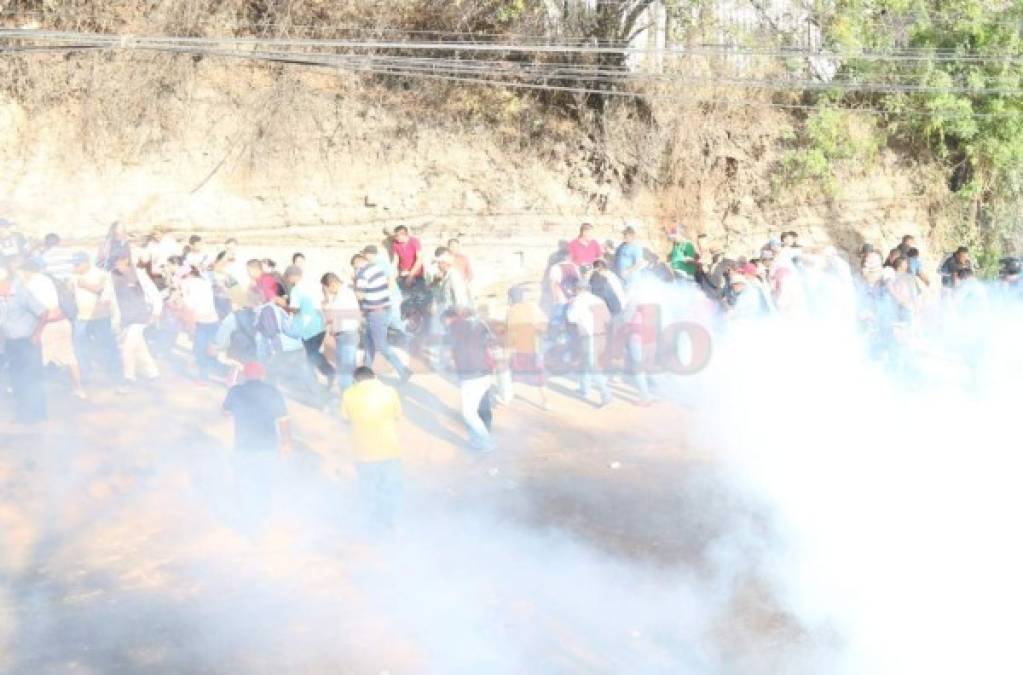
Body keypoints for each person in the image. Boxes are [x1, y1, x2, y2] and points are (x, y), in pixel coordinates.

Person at [341, 366, 404, 533]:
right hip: (390, 450)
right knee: (390, 489)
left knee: (368, 492)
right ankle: (391, 523)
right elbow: (397, 415)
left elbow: (346, 418)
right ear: (375, 377)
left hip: (363, 452)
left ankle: (371, 527)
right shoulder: (390, 391)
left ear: (355, 381)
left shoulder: (348, 394)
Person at [1, 258, 50, 423]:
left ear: (5, 283)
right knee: (17, 379)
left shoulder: (22, 293)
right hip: (11, 343)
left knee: (32, 378)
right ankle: (23, 413)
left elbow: (44, 312)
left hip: (28, 342)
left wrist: (37, 334)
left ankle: (37, 414)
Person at [444, 308, 497, 451]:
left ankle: (487, 442)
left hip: (471, 376)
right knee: (477, 408)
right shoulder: (476, 326)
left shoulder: (453, 329)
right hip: (484, 373)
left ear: (450, 318)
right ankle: (476, 439)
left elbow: (451, 356)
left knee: (468, 413)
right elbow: (490, 343)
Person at [353, 254, 412, 382]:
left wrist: (353, 282)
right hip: (382, 310)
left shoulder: (362, 273)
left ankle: (403, 370)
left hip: (375, 313)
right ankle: (365, 374)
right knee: (369, 344)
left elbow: (360, 296)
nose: (355, 270)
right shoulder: (377, 269)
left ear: (357, 263)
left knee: (381, 345)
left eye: (354, 267)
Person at [70, 252, 123, 385]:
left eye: (78, 263)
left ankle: (114, 371)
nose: (75, 266)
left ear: (87, 262)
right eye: (74, 263)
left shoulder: (100, 274)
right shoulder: (74, 275)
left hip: (100, 317)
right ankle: (85, 372)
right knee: (79, 346)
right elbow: (70, 292)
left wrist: (85, 285)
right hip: (82, 317)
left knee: (107, 344)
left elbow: (104, 291)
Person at [279, 264, 335, 388]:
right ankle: (315, 378)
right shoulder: (313, 285)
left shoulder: (296, 290)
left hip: (307, 328)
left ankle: (328, 372)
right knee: (311, 354)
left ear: (293, 276)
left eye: (288, 277)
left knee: (311, 354)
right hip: (320, 325)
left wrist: (283, 304)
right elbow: (323, 300)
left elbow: (295, 309)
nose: (287, 280)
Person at [111, 252, 161, 383]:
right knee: (139, 345)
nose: (116, 265)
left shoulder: (138, 273)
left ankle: (129, 378)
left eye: (118, 261)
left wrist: (156, 312)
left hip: (142, 315)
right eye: (114, 262)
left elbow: (154, 293)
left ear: (126, 260)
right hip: (126, 318)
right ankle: (153, 373)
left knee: (127, 347)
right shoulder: (113, 276)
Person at [223, 362, 292, 454]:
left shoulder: (235, 391)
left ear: (244, 376)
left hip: (243, 447)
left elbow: (225, 412)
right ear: (263, 375)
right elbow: (283, 420)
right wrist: (286, 443)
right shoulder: (273, 392)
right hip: (268, 446)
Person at [501, 285, 551, 411]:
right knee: (539, 375)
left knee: (512, 372)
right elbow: (544, 324)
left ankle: (507, 396)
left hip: (519, 348)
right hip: (534, 345)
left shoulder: (511, 311)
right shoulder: (531, 306)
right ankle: (545, 401)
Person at [565, 278, 612, 407]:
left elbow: (571, 318)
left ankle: (606, 395)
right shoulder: (598, 300)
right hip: (602, 336)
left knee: (592, 366)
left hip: (589, 337)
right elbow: (608, 318)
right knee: (586, 362)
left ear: (578, 289)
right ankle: (584, 388)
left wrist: (570, 304)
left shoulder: (577, 301)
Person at [181, 265, 230, 383]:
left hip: (200, 321)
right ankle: (225, 371)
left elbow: (189, 307)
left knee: (200, 351)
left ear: (186, 275)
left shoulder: (186, 283)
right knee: (209, 350)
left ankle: (205, 377)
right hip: (213, 319)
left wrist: (190, 326)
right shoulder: (205, 282)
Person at [322, 272, 361, 394]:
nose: (325, 291)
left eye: (325, 288)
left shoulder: (344, 295)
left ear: (332, 284)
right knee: (348, 368)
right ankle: (352, 395)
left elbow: (331, 316)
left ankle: (346, 398)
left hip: (347, 335)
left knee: (345, 370)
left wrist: (327, 300)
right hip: (346, 335)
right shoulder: (343, 293)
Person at [391, 225, 424, 290]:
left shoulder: (414, 241)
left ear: (404, 235)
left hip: (416, 275)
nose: (395, 238)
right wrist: (392, 275)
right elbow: (395, 260)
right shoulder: (395, 244)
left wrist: (411, 276)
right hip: (403, 274)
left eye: (397, 236)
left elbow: (419, 259)